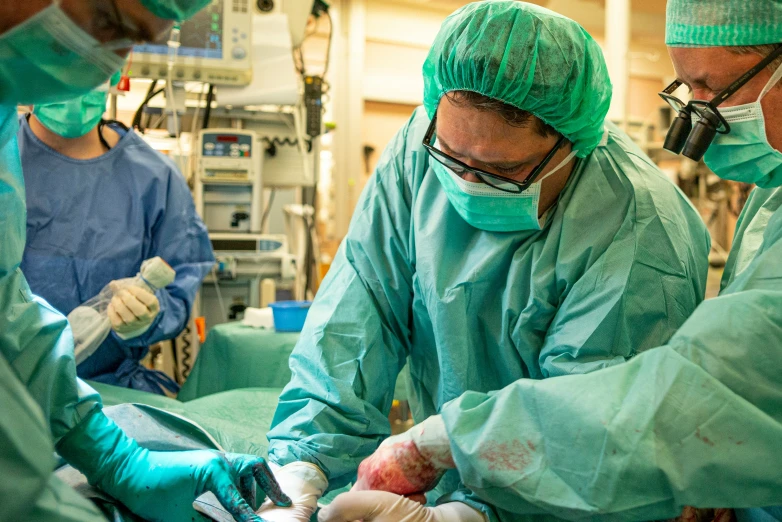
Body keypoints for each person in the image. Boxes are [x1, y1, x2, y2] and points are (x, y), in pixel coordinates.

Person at [317, 1, 782, 522]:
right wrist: (305, 466)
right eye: (684, 89)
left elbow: (662, 414)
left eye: (503, 169)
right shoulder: (423, 147)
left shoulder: (635, 224)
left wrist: (462, 480)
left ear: (573, 144)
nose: (466, 182)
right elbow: (355, 319)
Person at [0, 1, 290, 521]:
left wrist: (118, 460)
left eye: (125, 47)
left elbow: (10, 317)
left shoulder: (149, 176)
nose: (97, 66)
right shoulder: (14, 152)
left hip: (93, 390)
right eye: (109, 22)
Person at [19, 73, 214, 395]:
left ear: (112, 70)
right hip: (10, 393)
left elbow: (179, 282)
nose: (72, 79)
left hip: (111, 393)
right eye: (58, 60)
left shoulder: (153, 178)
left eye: (88, 64)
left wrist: (148, 315)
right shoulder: (5, 161)